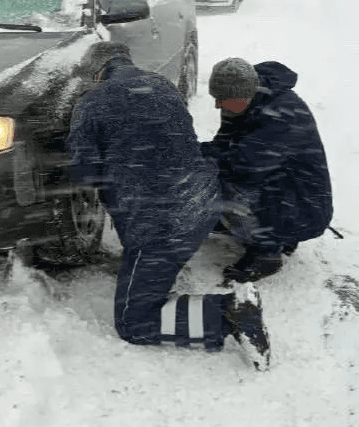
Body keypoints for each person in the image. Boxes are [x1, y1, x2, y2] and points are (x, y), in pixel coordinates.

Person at [66, 41, 271, 370]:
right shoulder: (162, 85)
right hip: (203, 202)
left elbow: (84, 174)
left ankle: (230, 313)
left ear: (97, 73)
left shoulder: (91, 103)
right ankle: (167, 271)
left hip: (161, 225)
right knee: (161, 252)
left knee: (134, 322)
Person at [201, 57, 333, 283]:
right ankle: (276, 232)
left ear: (245, 95)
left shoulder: (282, 114)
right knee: (216, 178)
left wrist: (197, 158)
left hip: (304, 207)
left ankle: (266, 252)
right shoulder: (241, 103)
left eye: (223, 100)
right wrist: (196, 152)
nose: (217, 105)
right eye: (216, 98)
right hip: (286, 193)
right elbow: (223, 143)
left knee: (231, 186)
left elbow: (241, 167)